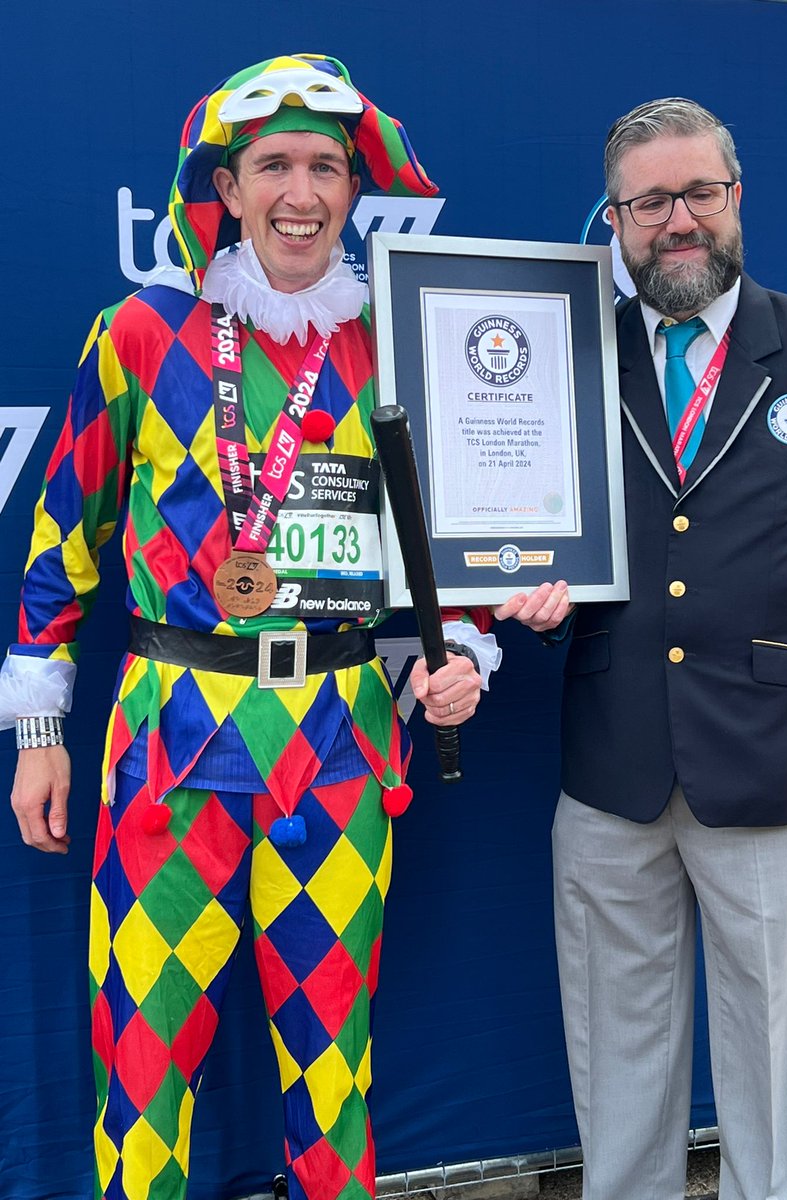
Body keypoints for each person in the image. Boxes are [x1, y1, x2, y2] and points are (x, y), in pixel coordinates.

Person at [2, 54, 499, 1200]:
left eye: (326, 166)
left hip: (336, 744)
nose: (302, 192)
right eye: (274, 164)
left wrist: (456, 651)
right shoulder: (138, 332)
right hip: (170, 745)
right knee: (143, 1061)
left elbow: (447, 541)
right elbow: (60, 543)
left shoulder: (392, 341)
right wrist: (38, 738)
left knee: (333, 1074)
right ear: (225, 187)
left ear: (353, 188)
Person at [496, 97, 787, 1200]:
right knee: (615, 1047)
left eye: (698, 194)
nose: (678, 221)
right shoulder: (569, 353)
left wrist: (781, 629)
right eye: (649, 202)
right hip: (611, 760)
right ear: (617, 219)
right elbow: (530, 521)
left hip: (770, 756)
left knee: (772, 1049)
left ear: (736, 197)